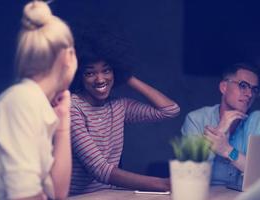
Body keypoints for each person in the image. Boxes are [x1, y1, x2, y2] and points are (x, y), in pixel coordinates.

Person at [0, 1, 77, 199]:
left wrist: (63, 121)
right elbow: (24, 196)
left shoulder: (34, 102)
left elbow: (58, 193)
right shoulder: (21, 102)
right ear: (68, 57)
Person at [69, 28, 180, 195]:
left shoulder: (119, 106)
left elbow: (170, 110)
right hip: (78, 197)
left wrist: (126, 76)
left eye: (106, 70)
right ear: (78, 75)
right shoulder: (72, 108)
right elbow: (100, 169)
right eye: (90, 73)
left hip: (111, 195)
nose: (100, 79)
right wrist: (163, 184)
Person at [181, 63, 260, 188]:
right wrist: (220, 129)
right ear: (224, 87)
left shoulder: (259, 120)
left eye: (254, 89)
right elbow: (188, 175)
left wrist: (227, 150)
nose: (249, 94)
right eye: (243, 86)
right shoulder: (196, 119)